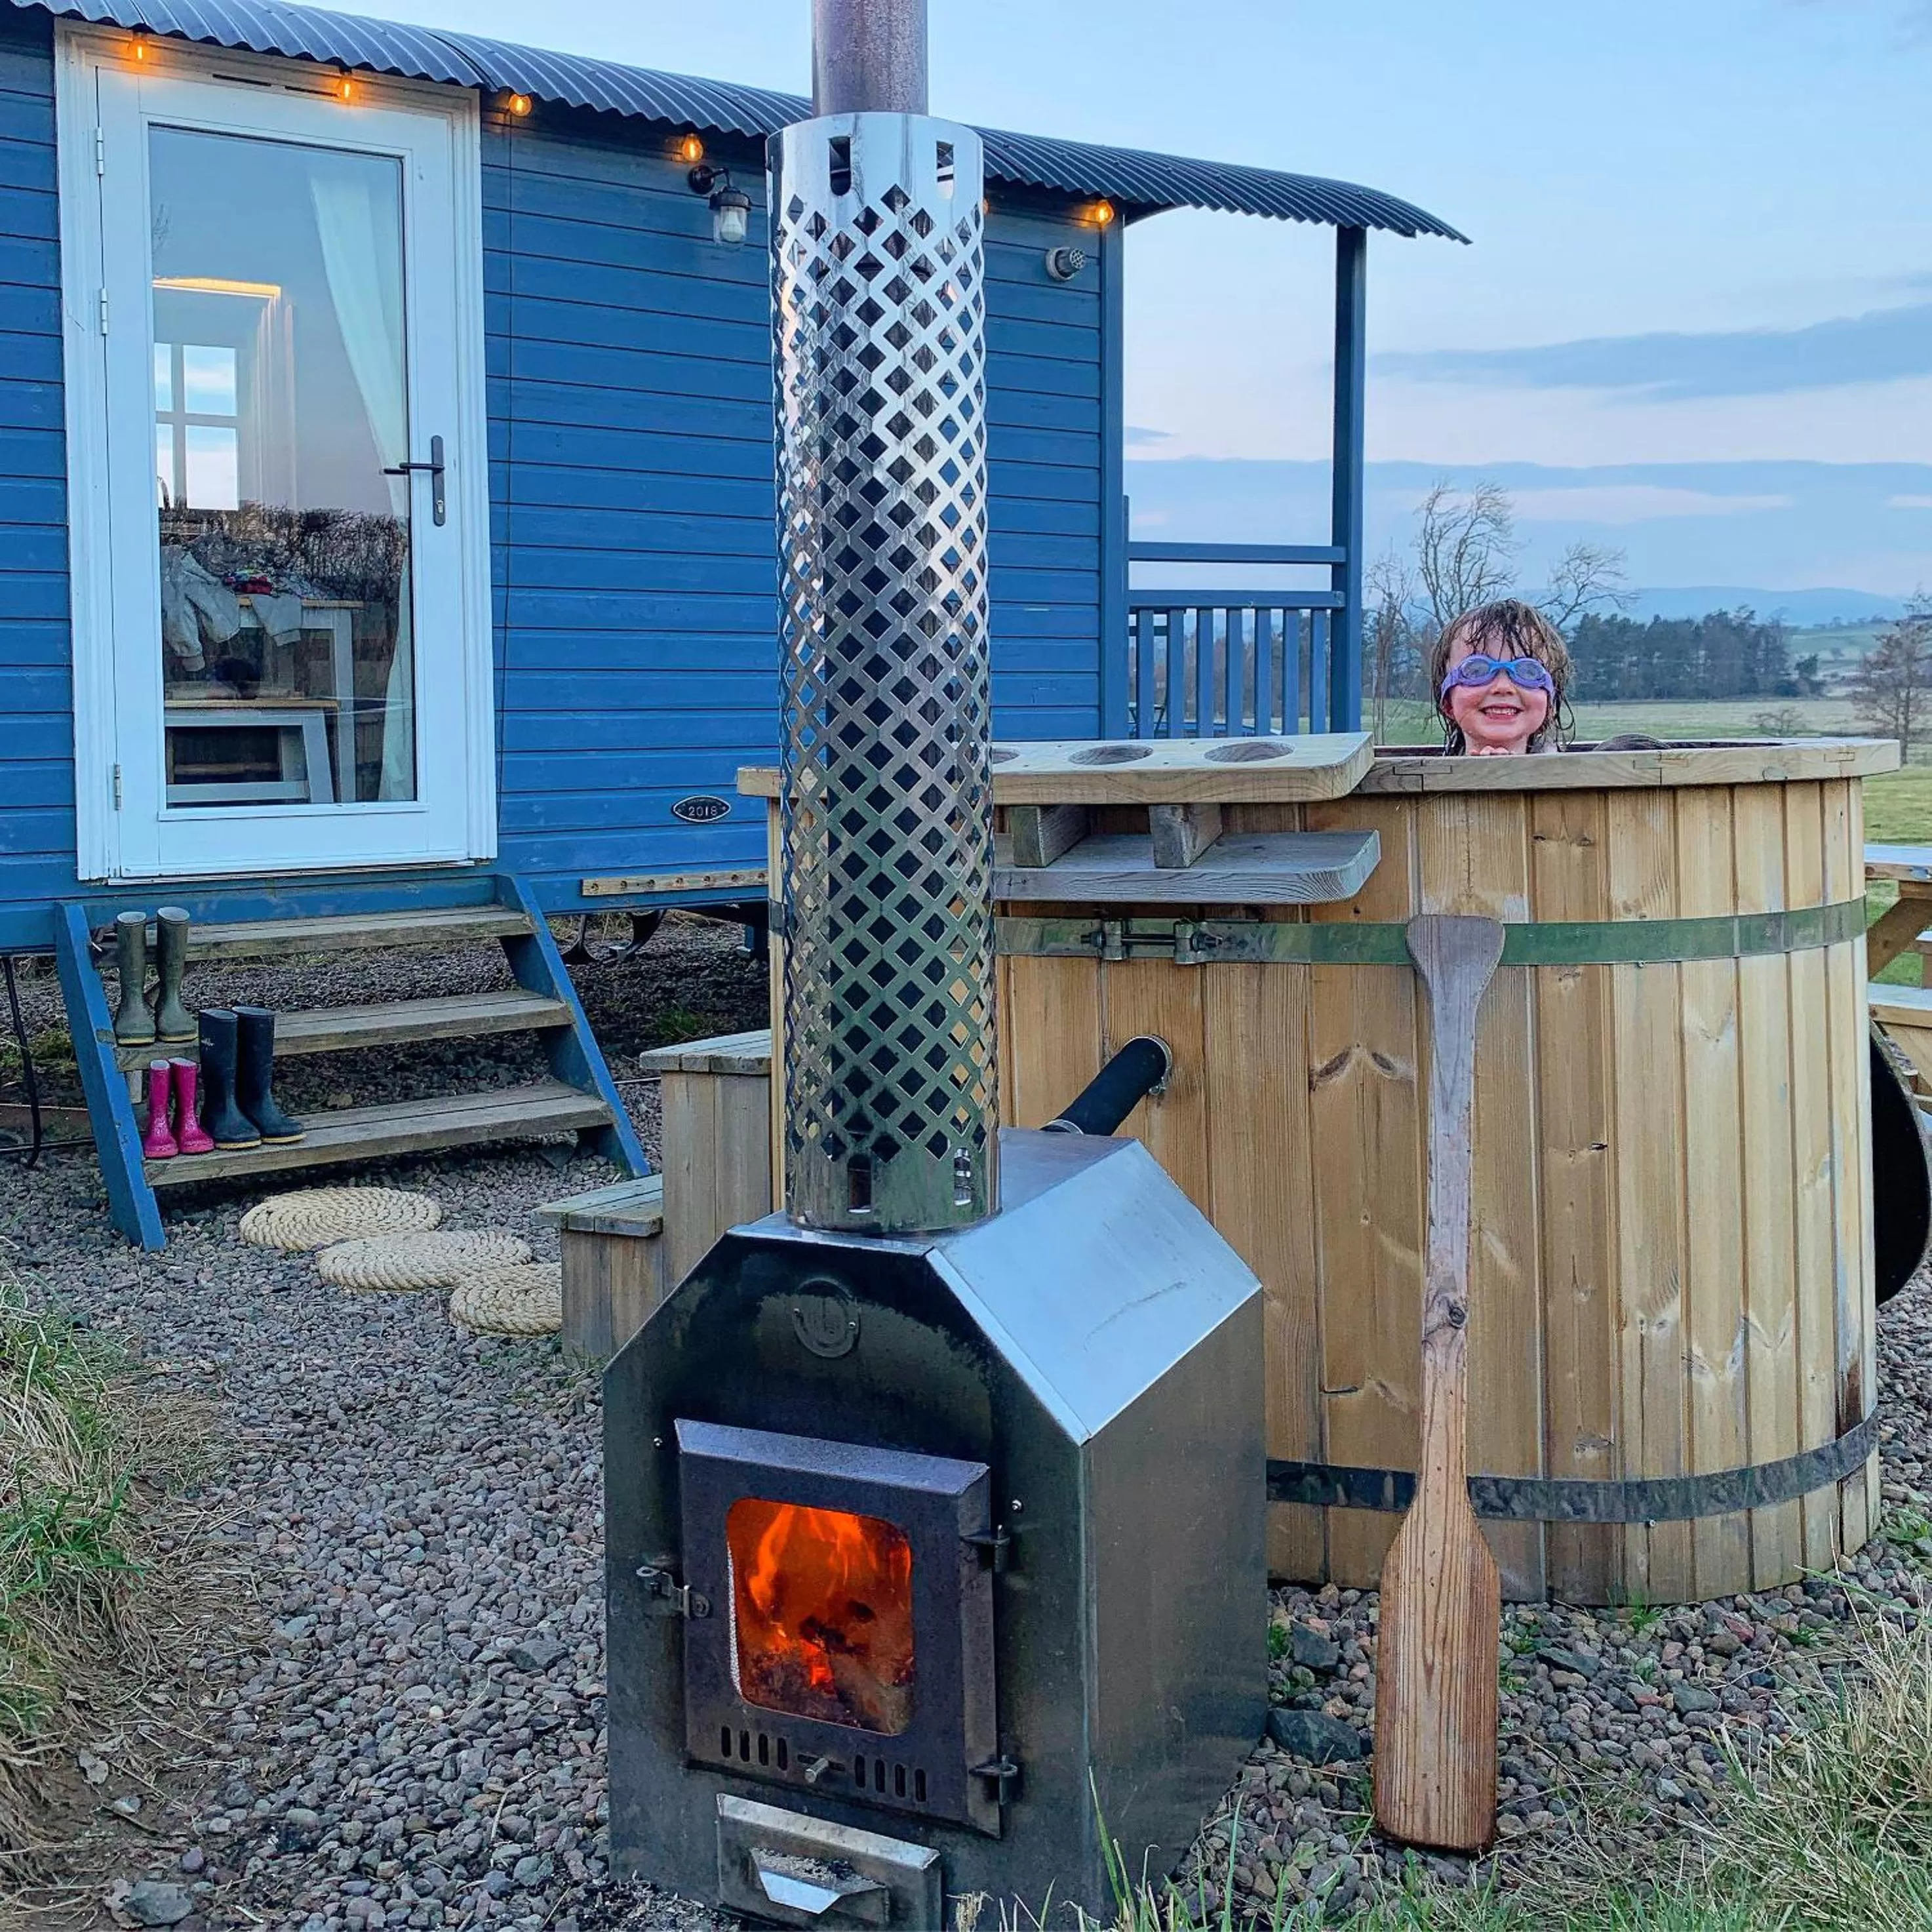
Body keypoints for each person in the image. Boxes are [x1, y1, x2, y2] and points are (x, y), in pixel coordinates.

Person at [1429, 599, 1572, 756]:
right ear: (1447, 702)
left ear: (1549, 705)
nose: (1503, 687)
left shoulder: (1578, 777)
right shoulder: (1424, 778)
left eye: (1528, 672)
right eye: (1476, 671)